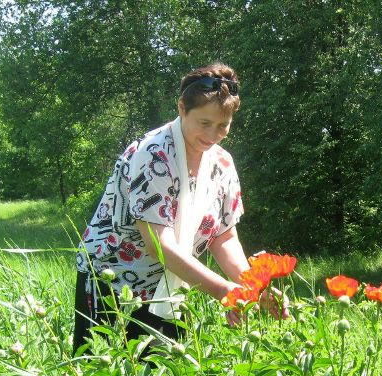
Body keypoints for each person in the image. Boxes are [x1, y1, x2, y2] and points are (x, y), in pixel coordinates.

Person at [73, 63, 263, 355]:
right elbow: (158, 245)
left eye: (223, 125)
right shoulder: (154, 154)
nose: (213, 135)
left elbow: (224, 237)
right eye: (204, 123)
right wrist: (224, 291)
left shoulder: (222, 164)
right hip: (112, 284)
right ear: (182, 109)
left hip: (172, 287)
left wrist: (253, 289)